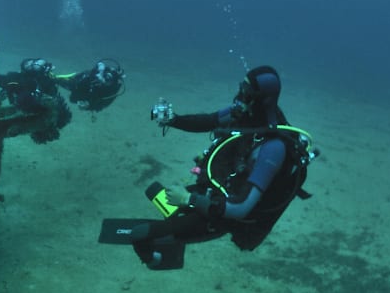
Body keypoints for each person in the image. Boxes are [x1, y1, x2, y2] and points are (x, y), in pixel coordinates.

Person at [99, 65, 317, 270]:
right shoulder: (246, 113)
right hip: (216, 194)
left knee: (139, 234)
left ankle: (159, 259)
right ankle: (180, 219)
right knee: (157, 193)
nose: (240, 96)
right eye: (241, 89)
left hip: (224, 217)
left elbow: (242, 208)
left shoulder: (273, 148)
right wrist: (173, 119)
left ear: (261, 99)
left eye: (247, 92)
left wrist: (188, 200)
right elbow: (209, 120)